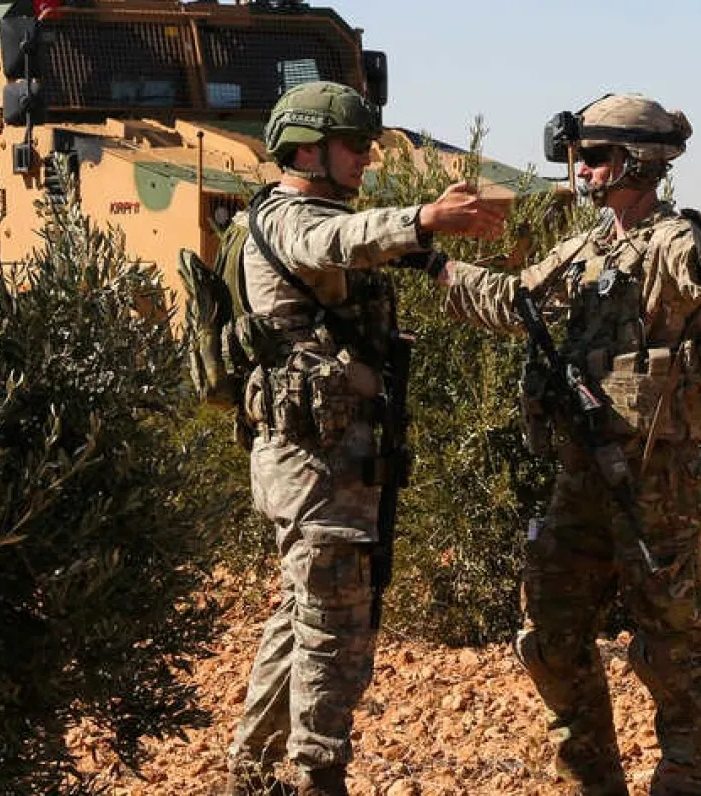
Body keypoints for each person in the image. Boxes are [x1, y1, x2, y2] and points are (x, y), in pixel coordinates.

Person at [431, 93, 701, 796]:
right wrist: (437, 270)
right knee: (549, 631)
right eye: (579, 156)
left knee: (673, 649)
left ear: (637, 161)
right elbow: (517, 302)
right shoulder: (587, 247)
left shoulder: (669, 239)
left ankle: (683, 782)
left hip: (652, 480)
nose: (582, 169)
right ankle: (593, 781)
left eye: (596, 157)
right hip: (581, 476)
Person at [221, 80, 503, 796]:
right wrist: (425, 217)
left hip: (334, 465)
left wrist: (447, 255)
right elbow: (336, 240)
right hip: (315, 469)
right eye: (354, 145)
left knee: (302, 618)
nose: (367, 157)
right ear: (306, 149)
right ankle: (317, 775)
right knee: (333, 632)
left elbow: (373, 250)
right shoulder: (292, 220)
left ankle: (251, 774)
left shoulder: (315, 216)